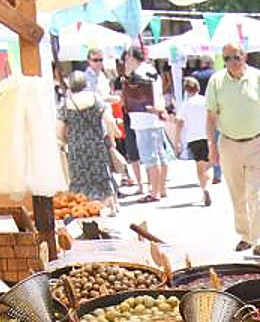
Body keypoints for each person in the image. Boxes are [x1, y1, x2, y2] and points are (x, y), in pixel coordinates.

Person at [206, 43, 260, 256]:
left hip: (256, 143)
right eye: (227, 58)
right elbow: (211, 117)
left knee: (255, 192)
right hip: (228, 143)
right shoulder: (216, 81)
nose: (232, 63)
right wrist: (211, 146)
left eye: (236, 57)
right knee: (236, 193)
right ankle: (245, 235)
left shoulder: (258, 78)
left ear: (244, 56)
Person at [57, 71, 118, 215]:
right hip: (96, 144)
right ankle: (110, 206)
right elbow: (110, 121)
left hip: (76, 147)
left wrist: (67, 141)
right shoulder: (95, 99)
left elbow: (58, 131)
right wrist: (111, 139)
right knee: (102, 176)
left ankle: (82, 209)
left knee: (79, 179)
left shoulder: (67, 103)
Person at [121, 46, 168, 202]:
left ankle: (154, 192)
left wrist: (127, 75)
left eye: (127, 58)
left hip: (144, 119)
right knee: (160, 156)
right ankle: (161, 189)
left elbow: (132, 93)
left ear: (132, 58)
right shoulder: (152, 70)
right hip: (155, 118)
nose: (125, 61)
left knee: (150, 158)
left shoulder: (138, 74)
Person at [176, 77, 212, 206]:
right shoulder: (205, 101)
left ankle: (203, 189)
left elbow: (179, 123)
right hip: (207, 135)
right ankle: (207, 187)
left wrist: (177, 141)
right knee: (208, 165)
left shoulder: (185, 104)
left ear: (186, 90)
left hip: (193, 138)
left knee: (199, 166)